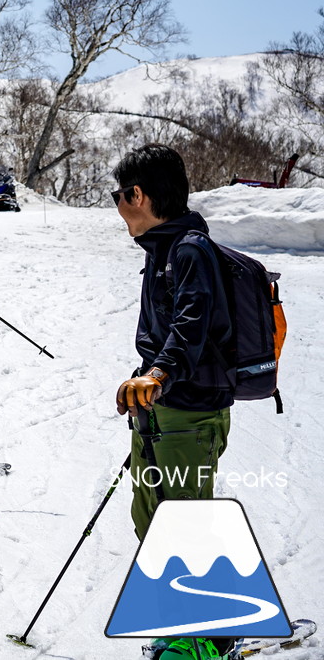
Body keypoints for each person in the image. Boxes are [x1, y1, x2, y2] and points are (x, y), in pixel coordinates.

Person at [113, 144, 235, 660]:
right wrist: (147, 376)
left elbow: (193, 322)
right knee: (151, 519)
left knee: (184, 523)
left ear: (139, 195)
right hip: (158, 411)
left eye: (120, 195)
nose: (118, 206)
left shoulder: (189, 249)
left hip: (189, 411)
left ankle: (208, 640)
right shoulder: (162, 249)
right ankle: (186, 627)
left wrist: (160, 372)